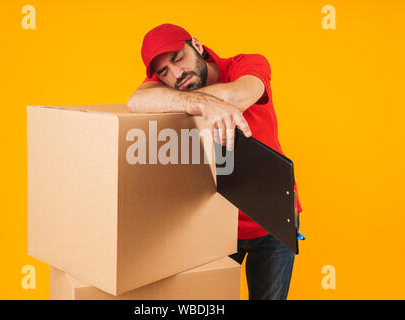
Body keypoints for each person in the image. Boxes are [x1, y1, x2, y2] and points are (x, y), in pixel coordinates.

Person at [127, 23, 302, 300]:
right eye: (163, 72)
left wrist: (184, 101)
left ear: (196, 45)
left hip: (272, 221)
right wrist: (205, 105)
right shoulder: (175, 86)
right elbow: (136, 101)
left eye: (177, 58)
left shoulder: (247, 64)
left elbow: (239, 95)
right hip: (214, 225)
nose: (176, 74)